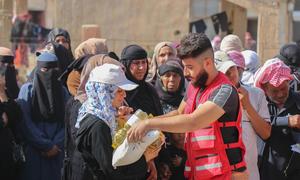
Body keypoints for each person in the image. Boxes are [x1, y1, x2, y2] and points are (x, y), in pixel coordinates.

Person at [127, 33, 247, 179]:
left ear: (208, 63)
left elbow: (193, 121)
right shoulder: (195, 86)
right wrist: (143, 122)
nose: (185, 73)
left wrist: (148, 124)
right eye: (184, 66)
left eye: (189, 67)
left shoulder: (224, 90)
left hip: (227, 174)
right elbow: (179, 113)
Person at [70, 64, 148, 180]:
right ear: (105, 92)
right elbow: (110, 170)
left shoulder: (98, 114)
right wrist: (144, 159)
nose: (124, 95)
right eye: (119, 91)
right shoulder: (98, 125)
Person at [62, 54, 123, 180]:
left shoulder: (107, 106)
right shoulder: (82, 105)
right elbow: (81, 140)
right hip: (84, 171)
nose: (124, 94)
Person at [214, 50, 271, 180]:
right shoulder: (210, 98)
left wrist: (247, 105)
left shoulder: (257, 94)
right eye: (224, 73)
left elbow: (266, 133)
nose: (230, 74)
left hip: (250, 175)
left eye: (231, 68)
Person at [17, 52, 69, 180]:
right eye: (45, 69)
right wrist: (46, 145)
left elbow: (68, 121)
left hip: (57, 153)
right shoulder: (27, 90)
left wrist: (56, 144)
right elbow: (25, 122)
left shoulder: (62, 91)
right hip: (35, 152)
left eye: (54, 69)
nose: (50, 73)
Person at [254, 58, 300, 180]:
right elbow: (259, 122)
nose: (280, 94)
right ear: (265, 88)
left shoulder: (298, 101)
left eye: (283, 89)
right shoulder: (259, 103)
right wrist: (287, 121)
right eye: (274, 91)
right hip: (265, 168)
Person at [120, 44, 163, 116]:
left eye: (144, 62)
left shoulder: (150, 90)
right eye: (136, 63)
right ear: (126, 65)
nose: (141, 67)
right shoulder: (119, 91)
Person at [0, 47, 22, 180]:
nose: (7, 68)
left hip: (10, 157)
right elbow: (3, 121)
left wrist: (2, 93)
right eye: (3, 63)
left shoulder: (13, 88)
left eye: (10, 64)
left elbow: (17, 116)